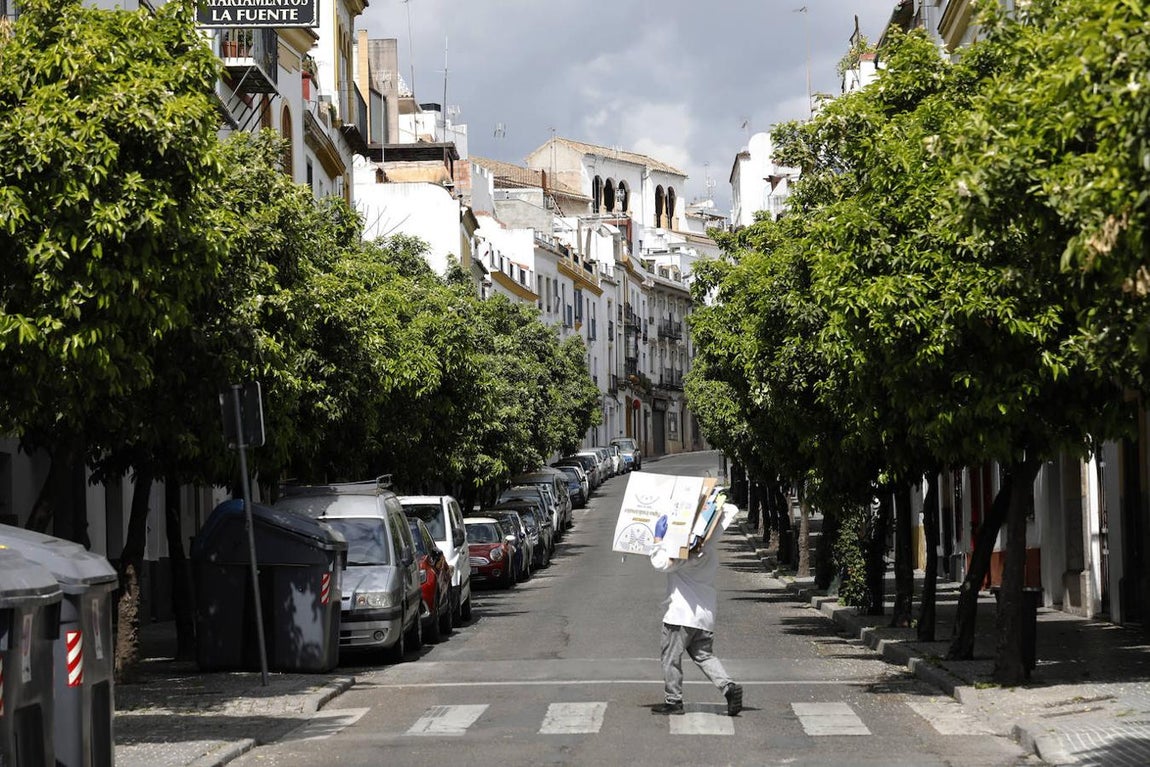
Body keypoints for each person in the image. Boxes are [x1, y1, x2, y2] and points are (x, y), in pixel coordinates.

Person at [649, 504, 743, 716]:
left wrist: (658, 539)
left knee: (670, 657)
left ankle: (673, 701)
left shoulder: (684, 555)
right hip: (705, 616)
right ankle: (728, 687)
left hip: (681, 616)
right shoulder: (709, 552)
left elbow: (661, 563)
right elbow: (727, 508)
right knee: (704, 655)